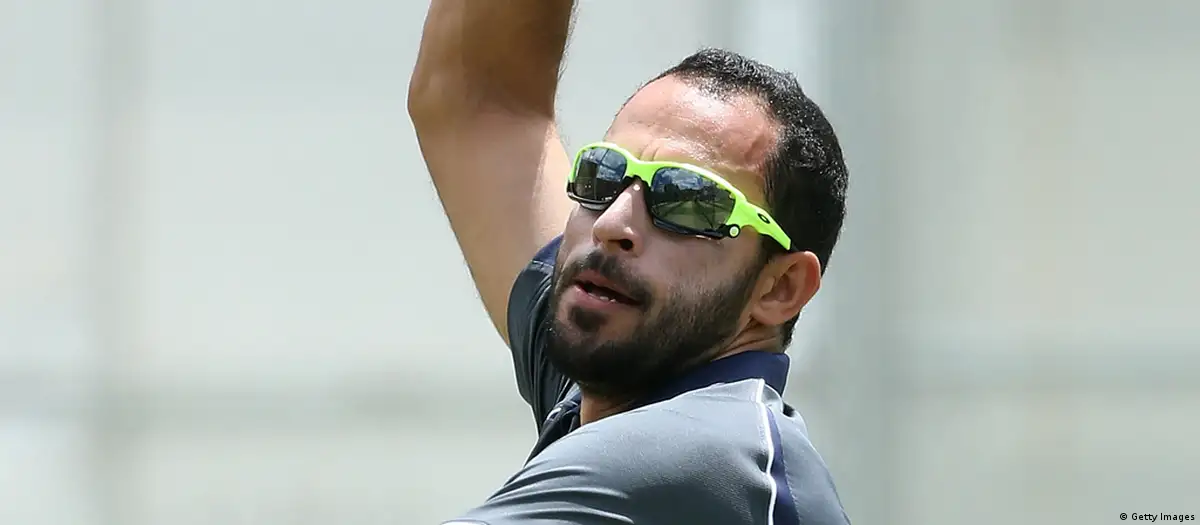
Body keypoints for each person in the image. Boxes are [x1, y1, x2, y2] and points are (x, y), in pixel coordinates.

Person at [408, 1, 851, 523]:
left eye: (687, 201)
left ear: (779, 288)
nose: (613, 223)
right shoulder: (622, 378)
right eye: (602, 175)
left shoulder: (710, 455)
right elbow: (476, 97)